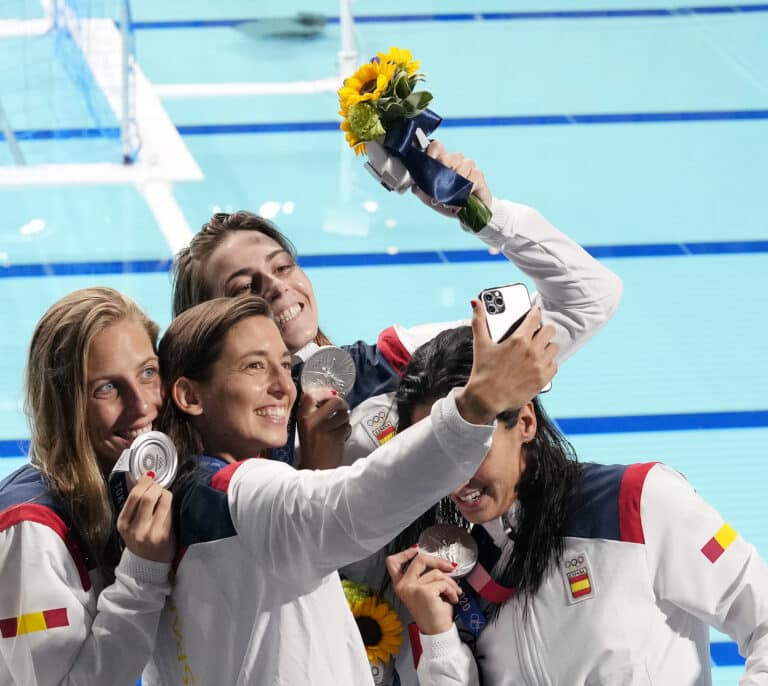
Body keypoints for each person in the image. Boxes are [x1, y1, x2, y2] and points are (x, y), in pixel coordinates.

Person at [142, 293, 557, 686]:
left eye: (285, 366)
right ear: (189, 395)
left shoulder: (179, 496)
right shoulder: (229, 493)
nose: (284, 386)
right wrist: (478, 403)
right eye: (254, 366)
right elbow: (358, 502)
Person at [171, 141, 622, 468]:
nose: (275, 287)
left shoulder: (397, 363)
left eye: (283, 266)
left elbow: (588, 299)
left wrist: (488, 217)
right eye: (245, 289)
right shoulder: (194, 458)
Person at [385, 326, 768, 686]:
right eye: (436, 458)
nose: (454, 479)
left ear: (525, 421)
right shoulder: (463, 578)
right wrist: (438, 638)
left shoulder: (635, 503)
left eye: (468, 451)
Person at [0, 287, 175, 686]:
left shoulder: (118, 483)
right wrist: (142, 572)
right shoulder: (30, 531)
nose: (142, 405)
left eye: (148, 372)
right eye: (107, 388)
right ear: (66, 407)